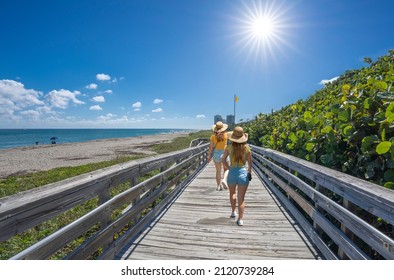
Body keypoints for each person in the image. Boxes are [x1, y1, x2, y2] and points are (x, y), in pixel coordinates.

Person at [221, 126, 252, 226]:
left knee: (233, 194)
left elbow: (223, 160)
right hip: (242, 172)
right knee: (241, 198)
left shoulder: (229, 147)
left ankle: (233, 211)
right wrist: (249, 172)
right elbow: (250, 164)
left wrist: (229, 168)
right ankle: (240, 219)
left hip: (232, 173)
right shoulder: (247, 148)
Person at [207, 121, 229, 191]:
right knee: (227, 169)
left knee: (218, 171)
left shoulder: (213, 136)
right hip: (224, 153)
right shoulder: (226, 134)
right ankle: (224, 180)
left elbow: (210, 147)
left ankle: (218, 186)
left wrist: (209, 155)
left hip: (216, 154)